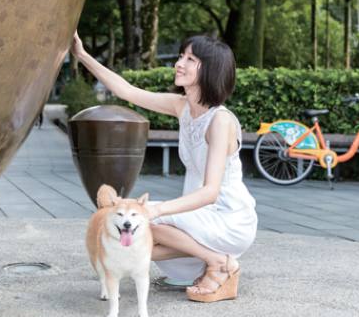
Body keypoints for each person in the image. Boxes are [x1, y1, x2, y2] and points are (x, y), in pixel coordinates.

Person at [69, 32, 257, 302]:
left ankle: (220, 263)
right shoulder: (182, 106)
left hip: (227, 218)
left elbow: (210, 192)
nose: (179, 63)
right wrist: (82, 55)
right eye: (181, 56)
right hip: (198, 218)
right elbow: (127, 91)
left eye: (191, 59)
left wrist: (156, 209)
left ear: (210, 70)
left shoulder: (221, 120)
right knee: (131, 242)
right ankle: (216, 260)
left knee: (141, 224)